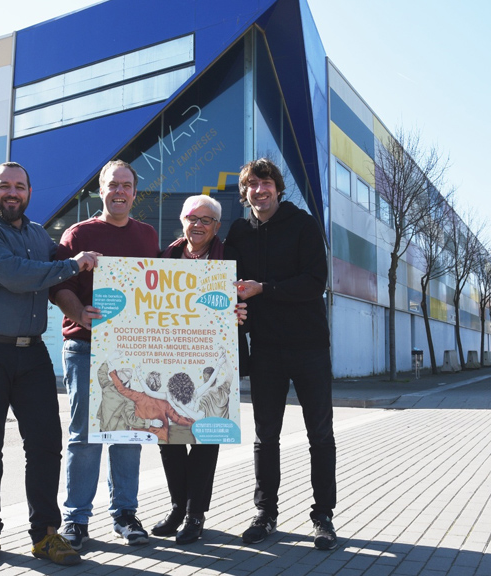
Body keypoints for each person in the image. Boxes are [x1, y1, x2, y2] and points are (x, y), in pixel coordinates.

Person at [0, 162, 100, 566]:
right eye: (5, 186)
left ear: (30, 193)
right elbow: (17, 275)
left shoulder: (40, 236)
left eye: (20, 186)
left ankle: (46, 535)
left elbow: (59, 282)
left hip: (31, 352)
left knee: (45, 444)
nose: (13, 192)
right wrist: (75, 263)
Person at [224, 158, 337, 549]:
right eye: (252, 184)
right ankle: (265, 512)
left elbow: (314, 282)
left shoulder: (304, 224)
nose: (260, 190)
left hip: (309, 348)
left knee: (320, 435)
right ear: (245, 193)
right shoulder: (239, 231)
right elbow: (223, 281)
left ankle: (323, 516)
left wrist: (263, 290)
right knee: (265, 436)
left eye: (266, 182)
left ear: (278, 187)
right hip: (267, 349)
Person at [50, 159, 160, 550]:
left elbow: (159, 291)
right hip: (85, 346)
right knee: (85, 436)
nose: (119, 192)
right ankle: (76, 520)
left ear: (134, 192)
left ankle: (125, 515)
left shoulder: (147, 236)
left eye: (126, 185)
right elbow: (57, 285)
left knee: (130, 433)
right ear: (101, 189)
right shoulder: (78, 234)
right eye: (113, 185)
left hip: (132, 351)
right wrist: (78, 312)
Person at [151, 194, 243, 544]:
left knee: (205, 436)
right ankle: (177, 506)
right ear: (182, 220)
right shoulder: (165, 258)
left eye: (206, 220)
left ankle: (195, 514)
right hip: (170, 356)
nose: (198, 224)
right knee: (169, 435)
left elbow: (244, 303)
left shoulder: (231, 259)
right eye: (193, 217)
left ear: (217, 226)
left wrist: (241, 314)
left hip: (213, 362)